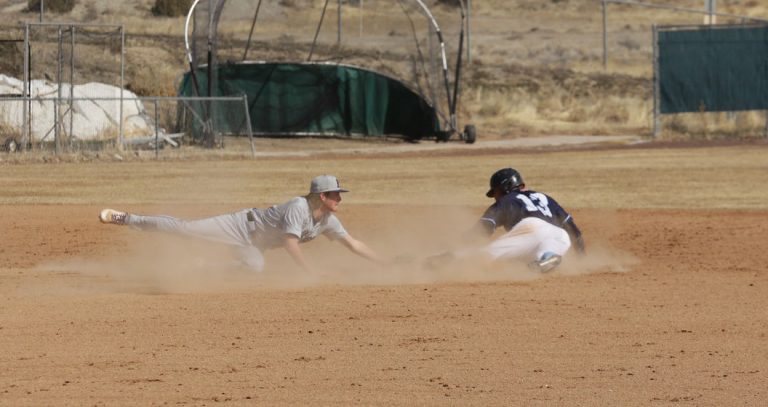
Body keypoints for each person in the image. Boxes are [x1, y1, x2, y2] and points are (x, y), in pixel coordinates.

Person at [99, 175, 384, 274]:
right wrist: (310, 272)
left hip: (255, 244)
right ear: (322, 196)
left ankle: (203, 268)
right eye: (336, 194)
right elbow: (290, 244)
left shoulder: (328, 220)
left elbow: (353, 244)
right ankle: (128, 218)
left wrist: (383, 262)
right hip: (239, 226)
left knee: (254, 267)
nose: (339, 199)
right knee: (186, 230)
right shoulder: (299, 208)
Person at [426, 167, 585, 273]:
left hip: (530, 228)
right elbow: (573, 231)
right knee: (541, 254)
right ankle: (548, 257)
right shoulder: (544, 197)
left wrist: (456, 244)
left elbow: (482, 230)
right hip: (559, 234)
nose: (495, 197)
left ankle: (441, 260)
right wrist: (582, 260)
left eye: (495, 192)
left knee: (486, 254)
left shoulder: (506, 201)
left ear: (504, 187)